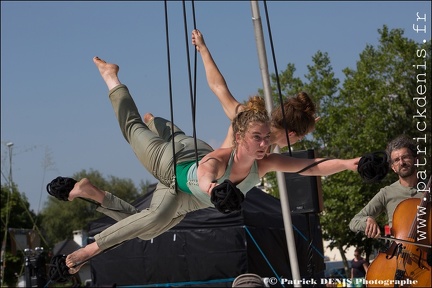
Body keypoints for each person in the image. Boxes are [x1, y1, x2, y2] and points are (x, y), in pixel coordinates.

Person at [64, 56, 360, 274]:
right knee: (134, 133)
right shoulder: (246, 125)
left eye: (267, 140)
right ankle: (113, 78)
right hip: (181, 168)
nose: (264, 144)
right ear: (294, 134)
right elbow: (208, 164)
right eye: (259, 138)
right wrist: (213, 187)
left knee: (147, 229)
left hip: (192, 179)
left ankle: (148, 136)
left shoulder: (265, 156)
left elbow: (312, 167)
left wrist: (352, 164)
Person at [191, 29, 318, 150]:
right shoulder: (248, 120)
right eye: (300, 139)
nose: (298, 142)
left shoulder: (269, 144)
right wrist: (203, 49)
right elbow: (218, 86)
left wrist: (305, 124)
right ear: (290, 134)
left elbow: (218, 87)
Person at [349, 135, 423, 238]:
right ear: (393, 168)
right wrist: (367, 221)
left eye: (405, 157)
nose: (402, 163)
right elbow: (354, 221)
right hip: (398, 252)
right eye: (396, 160)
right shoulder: (387, 192)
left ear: (416, 160)